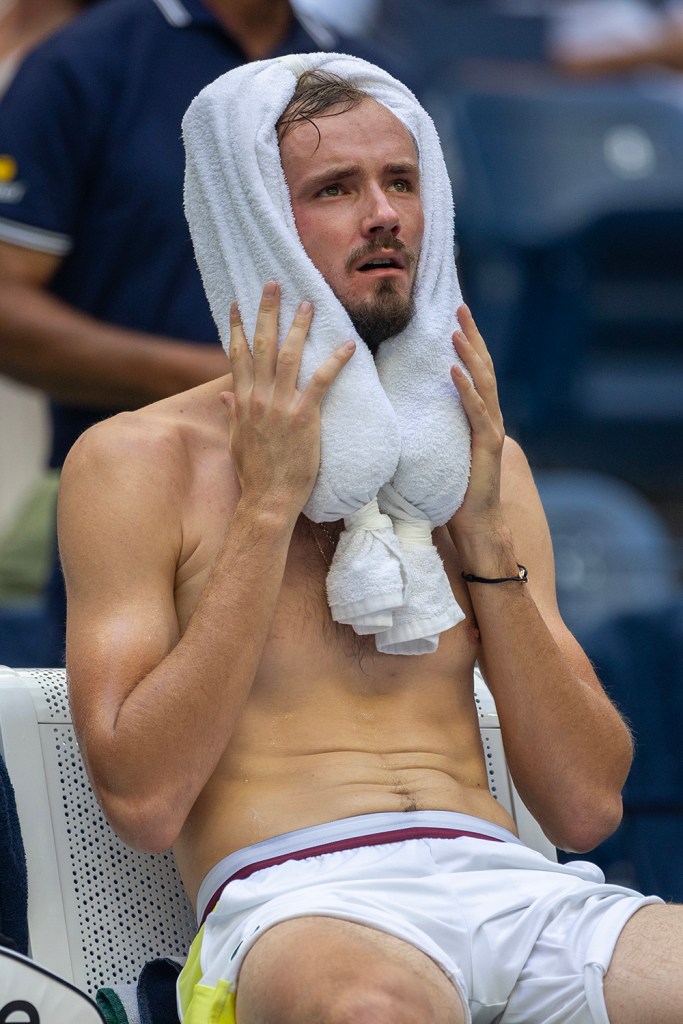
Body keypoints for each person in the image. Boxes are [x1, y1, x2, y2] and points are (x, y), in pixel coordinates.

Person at [58, 60, 683, 1024]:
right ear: (255, 220)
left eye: (400, 180)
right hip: (301, 900)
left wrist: (477, 527)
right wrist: (268, 507)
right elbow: (141, 802)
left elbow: (585, 807)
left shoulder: (478, 463)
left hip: (516, 885)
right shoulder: (137, 462)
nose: (383, 213)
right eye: (334, 190)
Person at [0, 0, 395, 662]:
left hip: (346, 506)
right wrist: (226, 380)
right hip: (133, 495)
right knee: (139, 751)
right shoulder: (85, 63)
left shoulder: (364, 73)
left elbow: (419, 291)